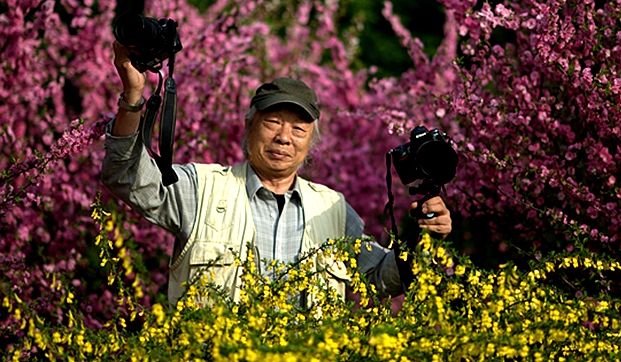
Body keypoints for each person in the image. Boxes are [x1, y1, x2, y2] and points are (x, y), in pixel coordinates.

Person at [101, 41, 452, 307]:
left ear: (311, 142)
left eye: (299, 130)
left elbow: (380, 277)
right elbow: (129, 177)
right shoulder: (202, 189)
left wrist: (423, 237)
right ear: (249, 127)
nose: (284, 137)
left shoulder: (332, 209)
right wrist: (133, 96)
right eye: (272, 123)